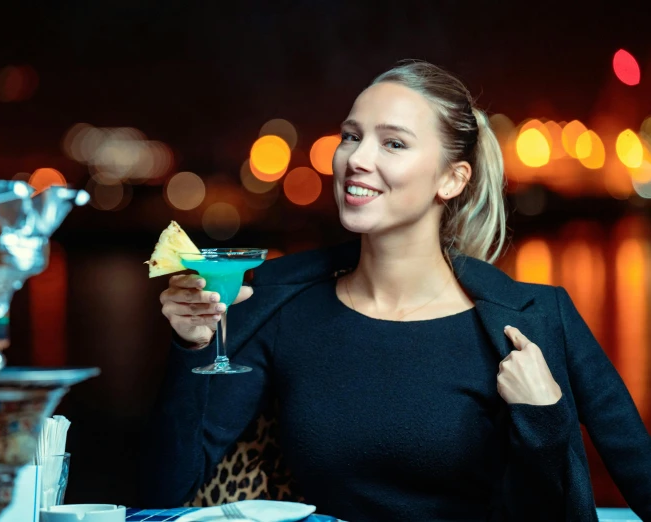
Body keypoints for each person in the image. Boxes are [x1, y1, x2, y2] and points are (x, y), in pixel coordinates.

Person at [142, 61, 651, 521]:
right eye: (350, 136)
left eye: (393, 143)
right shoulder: (277, 302)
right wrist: (192, 348)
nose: (355, 159)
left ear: (451, 180)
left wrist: (543, 418)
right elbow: (165, 492)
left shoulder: (539, 319)